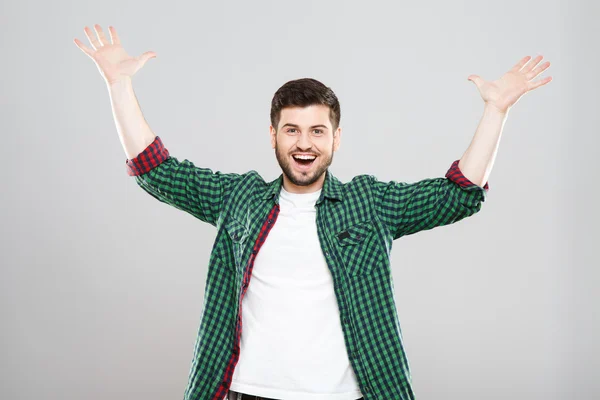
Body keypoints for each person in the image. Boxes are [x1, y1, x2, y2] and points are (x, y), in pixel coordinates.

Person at [74, 24, 552, 400]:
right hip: (249, 393)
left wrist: (497, 112)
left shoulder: (369, 203)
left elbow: (459, 194)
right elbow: (156, 170)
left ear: (335, 139)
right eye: (292, 130)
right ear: (274, 136)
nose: (304, 143)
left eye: (317, 131)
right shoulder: (239, 199)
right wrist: (119, 85)